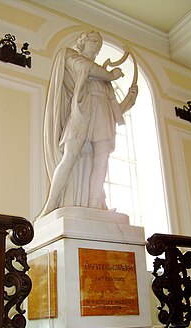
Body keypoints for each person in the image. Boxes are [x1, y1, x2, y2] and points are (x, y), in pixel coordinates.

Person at [39, 31, 138, 217]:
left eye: (100, 44)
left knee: (101, 160)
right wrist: (110, 74)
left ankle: (95, 206)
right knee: (69, 156)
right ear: (82, 43)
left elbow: (113, 108)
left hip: (102, 116)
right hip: (82, 112)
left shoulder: (104, 80)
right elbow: (86, 67)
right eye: (94, 42)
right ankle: (51, 205)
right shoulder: (69, 55)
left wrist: (129, 100)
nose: (98, 46)